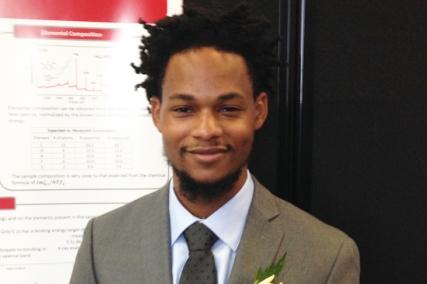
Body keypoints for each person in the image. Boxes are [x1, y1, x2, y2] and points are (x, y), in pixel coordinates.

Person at [70, 4, 360, 284]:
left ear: (259, 111)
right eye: (184, 109)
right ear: (157, 113)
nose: (207, 130)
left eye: (228, 109)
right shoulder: (103, 243)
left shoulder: (327, 256)